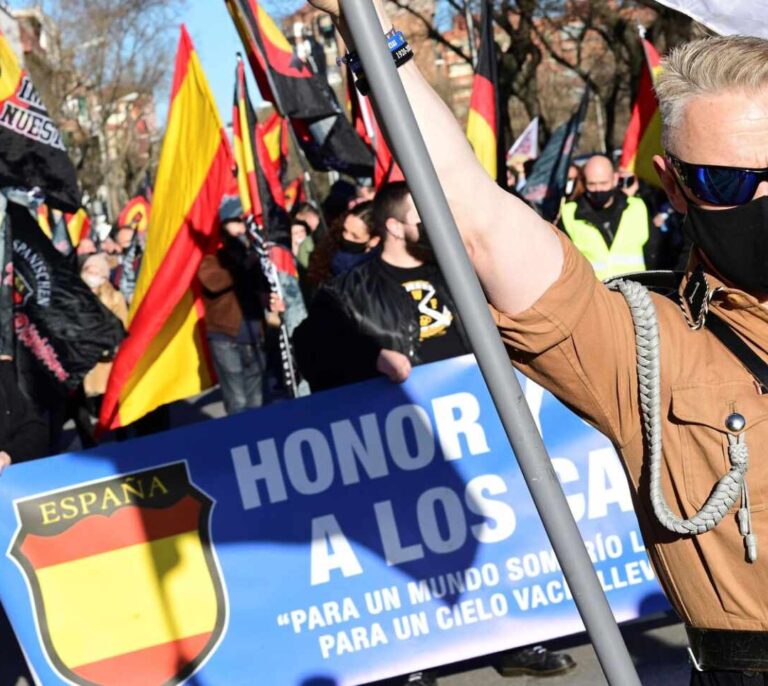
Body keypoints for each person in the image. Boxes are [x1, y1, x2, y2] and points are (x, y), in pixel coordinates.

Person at [310, 4, 768, 682]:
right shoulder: (645, 344)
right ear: (675, 184)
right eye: (729, 182)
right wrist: (379, 38)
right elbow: (479, 222)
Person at [197, 197, 271, 415]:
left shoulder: (253, 253)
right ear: (223, 226)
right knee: (237, 400)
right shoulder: (212, 258)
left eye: (243, 221)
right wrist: (242, 266)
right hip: (225, 337)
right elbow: (213, 282)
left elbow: (263, 287)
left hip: (254, 335)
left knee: (257, 400)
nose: (241, 227)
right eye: (236, 221)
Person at [558, 154, 654, 280]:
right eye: (592, 184)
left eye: (603, 183)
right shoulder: (568, 213)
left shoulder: (637, 207)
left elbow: (654, 253)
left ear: (615, 179)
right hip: (593, 294)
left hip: (637, 293)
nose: (598, 189)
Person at [306, 201, 379, 289]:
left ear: (374, 241)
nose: (346, 237)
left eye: (355, 236)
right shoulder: (328, 249)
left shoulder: (375, 275)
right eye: (345, 230)